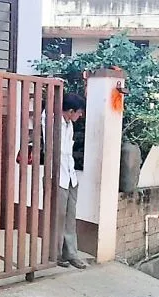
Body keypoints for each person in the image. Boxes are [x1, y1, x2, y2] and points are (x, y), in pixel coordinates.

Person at [55, 93, 86, 269]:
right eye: (79, 112)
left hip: (70, 176)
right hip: (57, 176)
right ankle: (55, 254)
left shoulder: (69, 125)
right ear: (71, 110)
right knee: (57, 217)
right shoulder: (52, 121)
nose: (80, 116)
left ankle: (70, 254)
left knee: (70, 217)